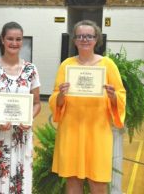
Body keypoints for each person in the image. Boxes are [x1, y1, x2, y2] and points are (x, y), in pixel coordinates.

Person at [49, 20, 126, 194]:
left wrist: (114, 97)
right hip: (71, 129)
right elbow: (55, 98)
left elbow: (121, 95)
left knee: (98, 181)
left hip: (98, 130)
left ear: (96, 39)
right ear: (74, 40)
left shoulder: (108, 65)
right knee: (72, 180)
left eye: (89, 36)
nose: (84, 39)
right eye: (80, 36)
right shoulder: (66, 65)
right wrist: (61, 95)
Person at [0, 22, 41, 193]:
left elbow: (37, 104)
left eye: (18, 39)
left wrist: (29, 118)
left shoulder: (31, 70)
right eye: (10, 38)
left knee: (20, 182)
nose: (14, 42)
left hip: (21, 135)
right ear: (2, 40)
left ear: (22, 41)